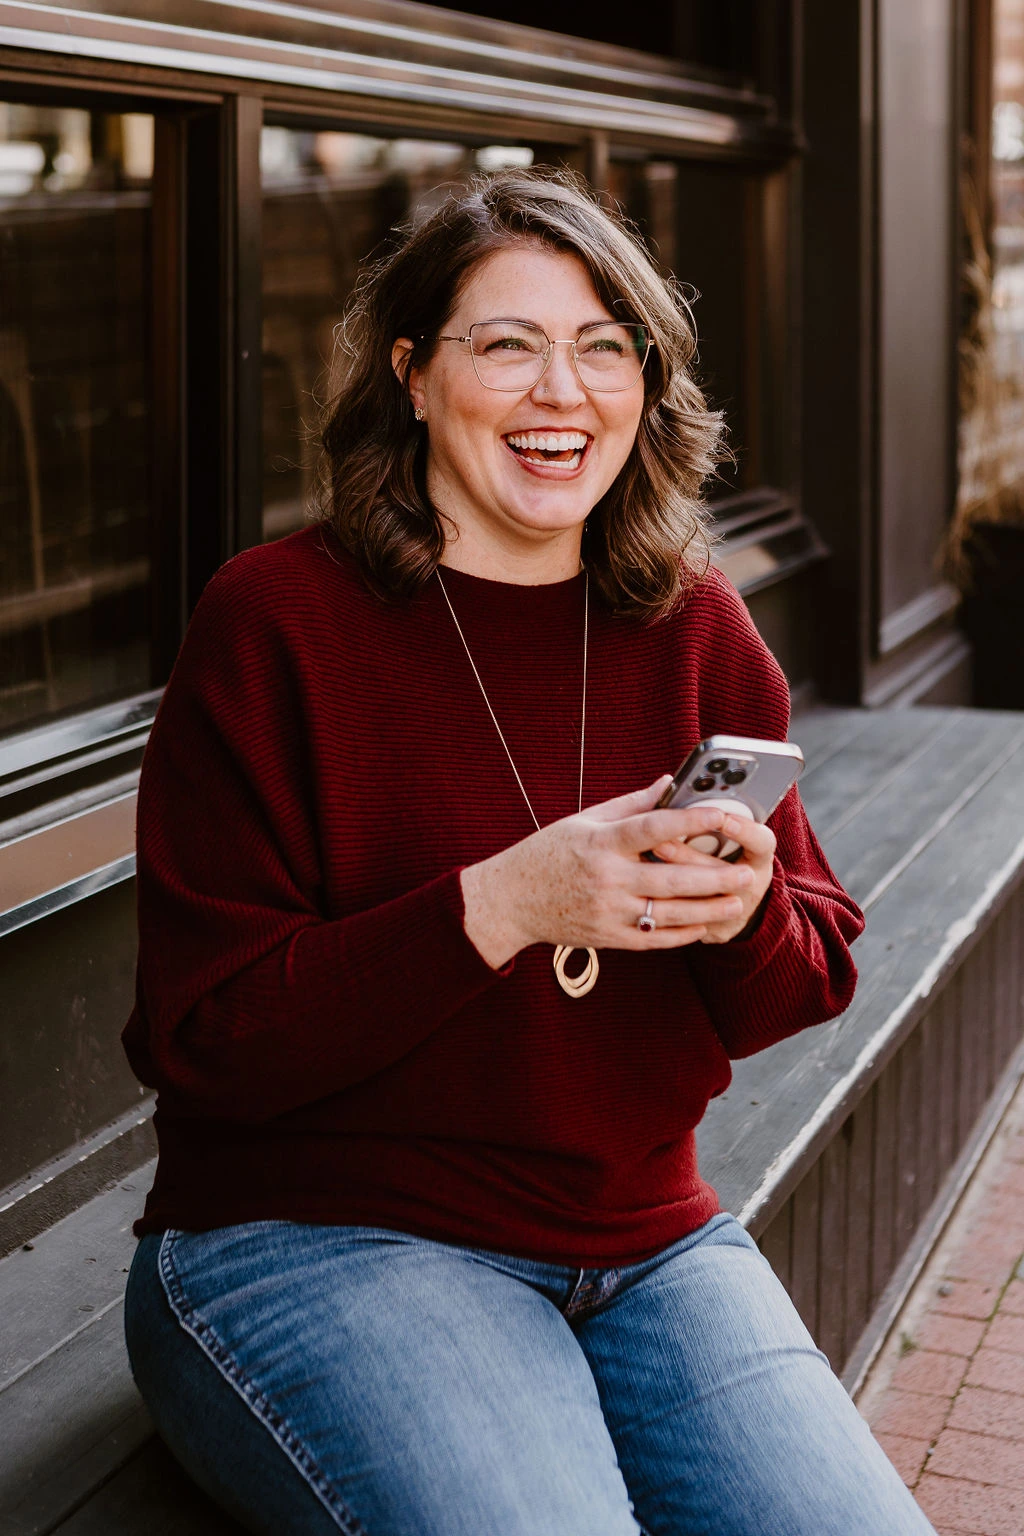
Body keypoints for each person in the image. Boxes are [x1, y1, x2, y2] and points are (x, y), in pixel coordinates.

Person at [122, 169, 935, 1536]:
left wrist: (740, 915)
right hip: (314, 1241)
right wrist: (498, 906)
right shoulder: (275, 624)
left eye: (605, 346)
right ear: (414, 377)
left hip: (646, 1241)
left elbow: (808, 977)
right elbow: (204, 1036)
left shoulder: (692, 627)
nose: (564, 391)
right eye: (507, 344)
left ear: (646, 386)